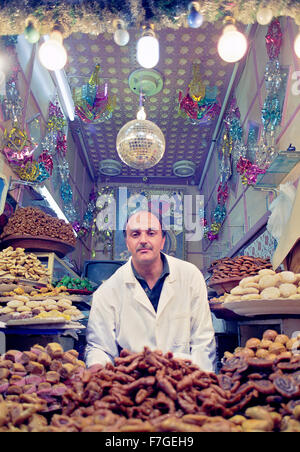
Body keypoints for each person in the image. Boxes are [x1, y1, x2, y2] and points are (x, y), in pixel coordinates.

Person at [85, 209, 216, 372]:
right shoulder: (107, 292)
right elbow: (100, 347)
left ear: (162, 240)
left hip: (184, 380)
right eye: (135, 234)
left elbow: (203, 342)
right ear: (127, 242)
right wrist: (97, 366)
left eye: (151, 233)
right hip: (133, 385)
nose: (143, 240)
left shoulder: (190, 276)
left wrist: (200, 382)